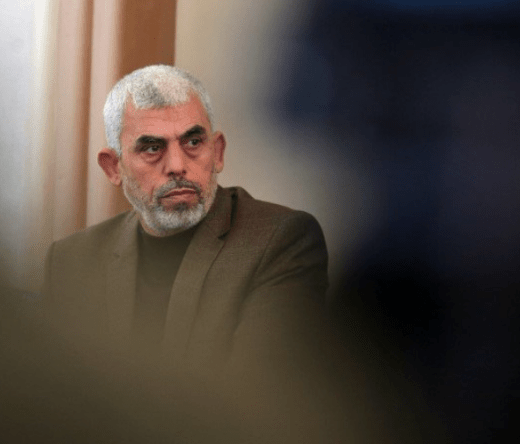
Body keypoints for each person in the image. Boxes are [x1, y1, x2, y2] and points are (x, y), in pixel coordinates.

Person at [42, 65, 329, 373]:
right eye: (153, 148)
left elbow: (256, 387)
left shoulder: (281, 239)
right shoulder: (72, 260)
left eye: (193, 143)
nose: (177, 166)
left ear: (217, 153)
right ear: (113, 167)